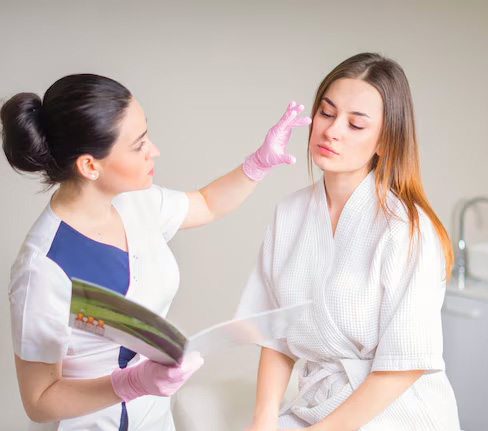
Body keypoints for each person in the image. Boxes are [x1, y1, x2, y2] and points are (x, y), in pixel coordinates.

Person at [1, 73, 311, 431]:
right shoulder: (42, 269)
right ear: (90, 165)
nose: (154, 150)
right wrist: (131, 383)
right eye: (138, 145)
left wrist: (257, 163)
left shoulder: (136, 203)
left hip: (156, 419)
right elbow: (39, 401)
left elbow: (206, 203)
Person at [236, 53, 461, 430]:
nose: (332, 131)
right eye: (326, 113)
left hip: (397, 412)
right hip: (320, 406)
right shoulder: (288, 214)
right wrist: (263, 420)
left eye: (356, 124)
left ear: (385, 141)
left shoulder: (406, 229)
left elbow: (403, 366)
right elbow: (275, 335)